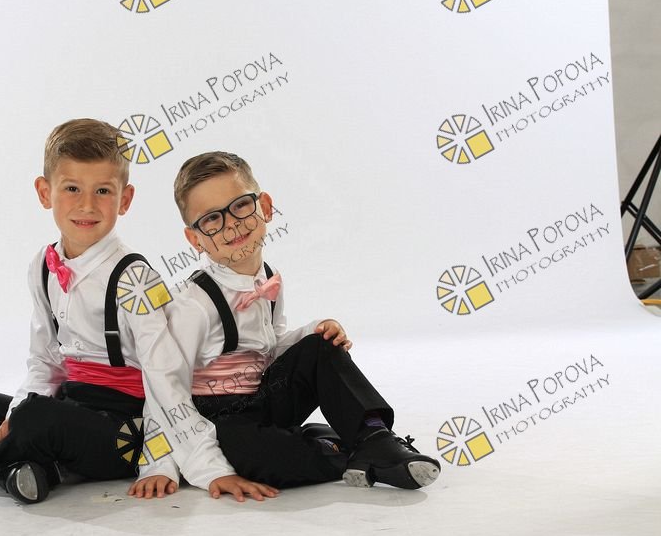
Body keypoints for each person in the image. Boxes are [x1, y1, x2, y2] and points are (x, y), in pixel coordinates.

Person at [0, 120, 276, 504]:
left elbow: (166, 378)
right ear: (45, 192)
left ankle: (14, 463)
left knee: (36, 419)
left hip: (125, 429)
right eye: (72, 188)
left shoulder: (136, 278)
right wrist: (12, 414)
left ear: (125, 199)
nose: (86, 205)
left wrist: (170, 463)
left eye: (103, 191)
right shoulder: (42, 267)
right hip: (69, 405)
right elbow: (45, 362)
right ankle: (16, 472)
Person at [129, 151, 441, 499]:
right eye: (212, 219)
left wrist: (313, 333)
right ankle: (341, 450)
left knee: (321, 345)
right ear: (195, 239)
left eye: (240, 206)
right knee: (263, 458)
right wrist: (160, 464)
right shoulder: (194, 304)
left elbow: (270, 346)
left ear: (265, 207)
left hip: (264, 398)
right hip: (222, 419)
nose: (231, 224)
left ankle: (373, 437)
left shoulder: (269, 278)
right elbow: (164, 387)